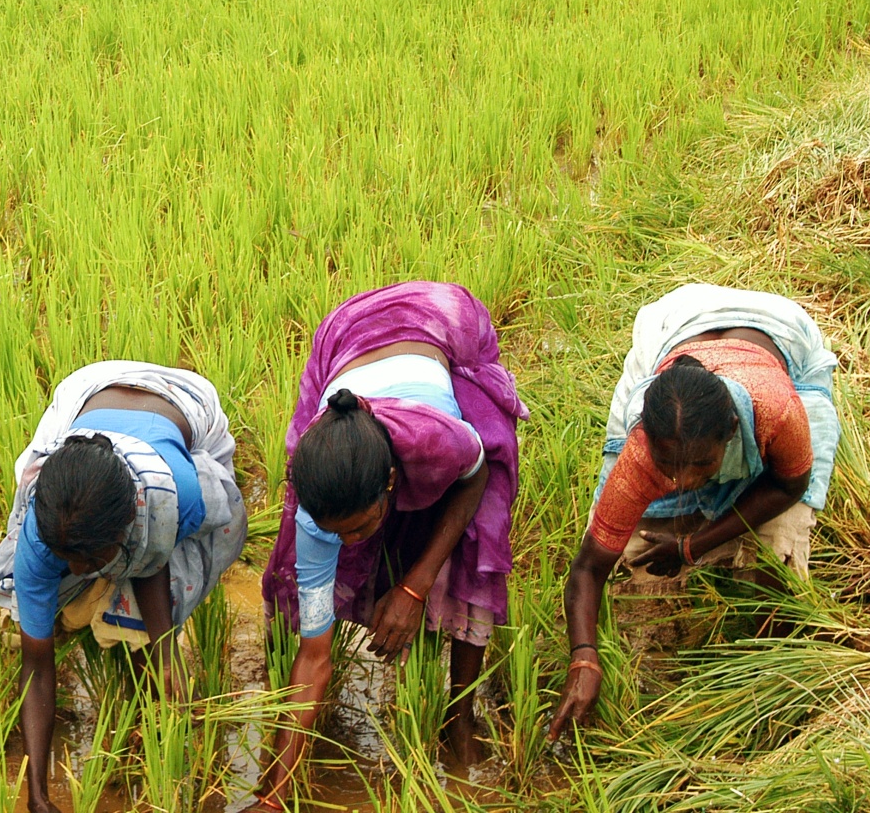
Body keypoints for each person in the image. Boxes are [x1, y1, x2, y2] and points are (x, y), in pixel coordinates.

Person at [256, 282, 525, 802]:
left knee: (480, 525)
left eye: (358, 526)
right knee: (315, 564)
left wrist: (415, 586)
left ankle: (460, 716)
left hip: (442, 321)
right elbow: (313, 657)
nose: (348, 540)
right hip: (346, 335)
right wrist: (278, 791)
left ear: (392, 483)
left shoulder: (437, 441)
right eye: (337, 532)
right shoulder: (313, 502)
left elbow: (474, 477)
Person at [548, 284, 839, 742]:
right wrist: (584, 657)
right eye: (669, 466)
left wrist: (692, 545)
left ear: (731, 434)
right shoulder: (643, 447)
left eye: (701, 465)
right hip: (678, 322)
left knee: (778, 558)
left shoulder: (778, 411)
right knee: (630, 564)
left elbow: (788, 484)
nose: (681, 482)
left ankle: (768, 676)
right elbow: (589, 567)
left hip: (779, 325)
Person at [0, 362, 247, 813]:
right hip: (87, 392)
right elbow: (36, 669)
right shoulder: (40, 528)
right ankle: (69, 616)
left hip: (185, 403)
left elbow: (152, 562)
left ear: (128, 523)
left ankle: (148, 675)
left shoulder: (175, 496)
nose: (79, 567)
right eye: (67, 557)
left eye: (90, 558)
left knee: (168, 574)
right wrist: (37, 794)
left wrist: (164, 652)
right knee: (44, 595)